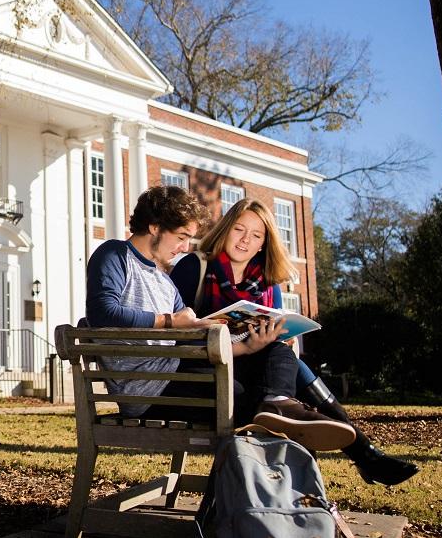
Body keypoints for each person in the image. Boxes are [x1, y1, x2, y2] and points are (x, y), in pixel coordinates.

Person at [170, 197, 419, 486]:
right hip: (208, 367)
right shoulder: (195, 267)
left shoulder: (268, 281)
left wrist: (280, 340)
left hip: (256, 367)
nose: (245, 240)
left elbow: (282, 330)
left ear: (264, 243)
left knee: (281, 349)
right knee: (293, 382)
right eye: (239, 230)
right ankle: (362, 452)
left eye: (256, 235)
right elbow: (177, 333)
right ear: (226, 229)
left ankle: (284, 407)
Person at [85, 186, 355, 452]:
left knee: (275, 353)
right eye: (181, 236)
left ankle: (282, 406)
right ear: (155, 227)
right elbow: (101, 313)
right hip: (145, 391)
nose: (184, 247)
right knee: (249, 402)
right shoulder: (115, 254)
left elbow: (192, 335)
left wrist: (247, 346)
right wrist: (169, 322)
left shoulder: (164, 281)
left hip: (174, 375)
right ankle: (289, 424)